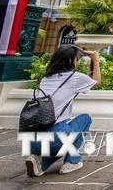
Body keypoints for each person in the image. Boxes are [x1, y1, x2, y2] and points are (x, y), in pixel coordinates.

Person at [25, 45, 100, 177]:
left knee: (63, 136)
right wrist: (95, 60)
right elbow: (97, 82)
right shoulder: (74, 78)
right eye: (76, 59)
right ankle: (72, 161)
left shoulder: (46, 79)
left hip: (33, 140)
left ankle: (40, 162)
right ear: (71, 61)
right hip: (56, 137)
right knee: (84, 119)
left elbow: (88, 81)